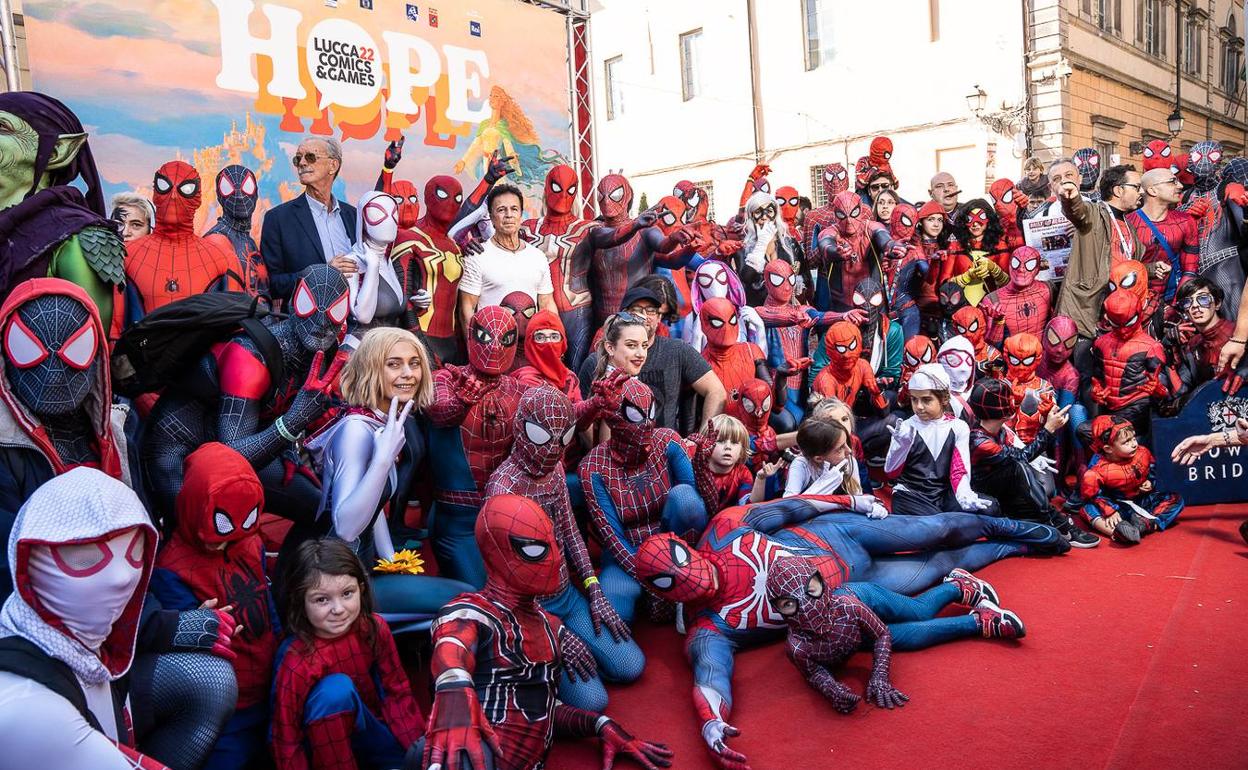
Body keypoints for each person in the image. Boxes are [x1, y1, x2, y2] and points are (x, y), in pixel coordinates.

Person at [631, 495, 1065, 770]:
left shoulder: (725, 528)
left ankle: (1021, 528)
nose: (685, 576)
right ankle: (1015, 546)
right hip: (853, 589)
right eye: (668, 580)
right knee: (936, 565)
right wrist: (712, 723)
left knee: (936, 529)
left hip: (836, 535)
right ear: (662, 595)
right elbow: (710, 676)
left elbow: (793, 506)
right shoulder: (711, 628)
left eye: (678, 561)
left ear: (684, 545)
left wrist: (850, 500)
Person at [423, 495, 673, 770]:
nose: (555, 558)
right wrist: (453, 688)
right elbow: (452, 639)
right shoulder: (474, 610)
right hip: (475, 757)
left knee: (605, 688)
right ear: (498, 553)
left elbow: (533, 711)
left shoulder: (547, 624)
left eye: (556, 543)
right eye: (534, 550)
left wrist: (601, 726)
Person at [0, 469, 172, 770]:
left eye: (135, 554)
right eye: (86, 559)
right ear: (29, 560)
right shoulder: (28, 709)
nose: (121, 577)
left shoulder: (91, 653)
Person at [294, 328, 470, 615]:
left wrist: (392, 561)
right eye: (393, 364)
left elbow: (373, 509)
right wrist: (382, 460)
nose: (408, 373)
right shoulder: (356, 431)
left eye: (414, 363)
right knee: (469, 597)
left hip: (362, 566)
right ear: (371, 369)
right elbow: (346, 527)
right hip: (338, 583)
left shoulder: (380, 420)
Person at [149, 443, 278, 770]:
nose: (222, 542)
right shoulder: (171, 568)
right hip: (226, 711)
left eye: (235, 533)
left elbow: (267, 600)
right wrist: (196, 622)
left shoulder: (251, 542)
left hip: (269, 688)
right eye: (217, 531)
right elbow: (180, 646)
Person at [765, 554, 1022, 715]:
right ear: (779, 608)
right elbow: (814, 672)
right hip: (853, 636)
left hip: (865, 600)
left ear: (821, 583)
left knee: (918, 612)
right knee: (915, 638)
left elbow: (882, 635)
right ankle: (980, 622)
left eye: (811, 589)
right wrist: (833, 691)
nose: (808, 607)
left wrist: (878, 678)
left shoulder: (847, 605)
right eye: (790, 604)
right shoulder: (797, 647)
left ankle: (957, 586)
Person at [271, 538, 425, 770]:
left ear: (361, 589)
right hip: (324, 752)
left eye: (347, 593)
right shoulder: (296, 658)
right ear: (300, 601)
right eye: (322, 599)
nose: (338, 609)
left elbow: (397, 691)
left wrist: (414, 748)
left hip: (371, 733)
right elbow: (286, 737)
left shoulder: (373, 627)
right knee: (336, 691)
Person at [966, 378, 1099, 548]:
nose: (1015, 404)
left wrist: (1044, 418)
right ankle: (1053, 521)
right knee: (1018, 467)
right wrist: (1049, 429)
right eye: (1010, 400)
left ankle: (1051, 520)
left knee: (1023, 475)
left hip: (1006, 486)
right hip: (986, 490)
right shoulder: (980, 440)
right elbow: (1021, 457)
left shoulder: (997, 429)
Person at [579, 284, 726, 432]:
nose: (644, 316)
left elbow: (716, 391)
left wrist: (702, 439)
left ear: (659, 317)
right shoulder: (596, 362)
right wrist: (596, 450)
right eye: (636, 310)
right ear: (623, 315)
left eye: (651, 311)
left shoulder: (677, 350)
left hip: (665, 447)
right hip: (618, 448)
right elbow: (583, 415)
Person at [124, 160, 242, 318]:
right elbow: (114, 330)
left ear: (197, 198)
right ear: (155, 194)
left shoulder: (223, 259)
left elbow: (234, 327)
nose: (173, 196)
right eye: (165, 186)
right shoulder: (127, 255)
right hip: (142, 342)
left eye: (186, 189)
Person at [885, 364, 995, 516]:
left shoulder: (958, 427)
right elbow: (891, 472)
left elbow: (959, 470)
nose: (919, 406)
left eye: (926, 400)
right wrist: (901, 447)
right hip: (910, 496)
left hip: (942, 495)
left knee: (991, 507)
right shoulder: (906, 427)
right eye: (914, 400)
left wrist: (964, 496)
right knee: (936, 522)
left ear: (944, 399)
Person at [260, 136, 357, 304]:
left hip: (355, 319)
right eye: (298, 159)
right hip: (306, 323)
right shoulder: (278, 219)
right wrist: (322, 273)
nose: (302, 163)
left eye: (310, 157)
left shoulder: (353, 216)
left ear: (333, 165)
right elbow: (272, 284)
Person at [1054, 163, 1144, 344]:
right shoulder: (1094, 213)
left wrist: (1150, 269)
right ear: (1118, 190)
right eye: (1136, 187)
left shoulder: (1129, 225)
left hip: (1118, 313)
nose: (1141, 192)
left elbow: (1123, 263)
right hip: (1087, 312)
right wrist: (1071, 198)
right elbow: (1078, 211)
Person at [458, 183, 555, 332]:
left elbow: (547, 303)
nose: (508, 215)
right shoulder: (477, 256)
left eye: (514, 209)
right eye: (501, 210)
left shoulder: (537, 256)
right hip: (493, 344)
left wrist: (557, 343)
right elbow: (466, 310)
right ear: (491, 216)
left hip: (531, 343)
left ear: (521, 214)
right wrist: (475, 350)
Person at [1073, 415, 1184, 545]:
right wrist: (1110, 511)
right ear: (1108, 449)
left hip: (1140, 501)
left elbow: (1153, 471)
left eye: (1133, 438)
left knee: (1176, 499)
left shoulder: (1143, 453)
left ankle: (1146, 524)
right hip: (1116, 505)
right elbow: (1093, 495)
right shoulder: (1096, 470)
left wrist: (1149, 482)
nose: (1134, 444)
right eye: (1126, 442)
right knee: (1088, 509)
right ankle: (1117, 532)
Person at [1127, 167, 1198, 301]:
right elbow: (1123, 266)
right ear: (1152, 190)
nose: (1180, 186)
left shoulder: (1186, 221)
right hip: (1137, 298)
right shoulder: (1128, 223)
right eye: (1172, 182)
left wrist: (1179, 299)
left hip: (1175, 297)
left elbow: (1190, 268)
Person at [1170, 279, 1248, 397]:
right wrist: (1169, 350)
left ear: (1217, 304)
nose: (1195, 306)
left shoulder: (1240, 335)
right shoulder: (1192, 346)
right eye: (1187, 302)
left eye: (1203, 299)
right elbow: (1181, 393)